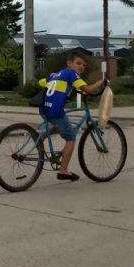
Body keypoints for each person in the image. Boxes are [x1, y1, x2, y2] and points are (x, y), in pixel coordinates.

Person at [38, 51, 107, 182]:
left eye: (84, 65)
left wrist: (51, 77)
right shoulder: (72, 74)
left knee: (61, 126)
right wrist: (100, 83)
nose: (81, 66)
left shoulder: (59, 74)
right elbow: (88, 89)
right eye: (78, 63)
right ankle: (63, 171)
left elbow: (40, 82)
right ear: (69, 63)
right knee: (71, 137)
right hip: (56, 111)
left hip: (44, 109)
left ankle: (41, 137)